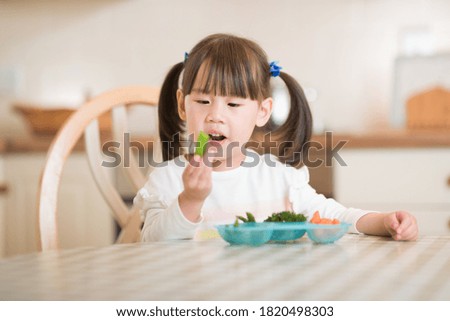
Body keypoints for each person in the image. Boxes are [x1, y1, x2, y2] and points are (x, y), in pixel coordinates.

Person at [134, 33, 418, 242]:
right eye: (203, 102)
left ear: (262, 111)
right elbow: (153, 242)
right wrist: (190, 200)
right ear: (183, 104)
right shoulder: (168, 179)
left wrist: (384, 222)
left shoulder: (280, 179)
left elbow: (333, 215)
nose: (215, 116)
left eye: (233, 105)